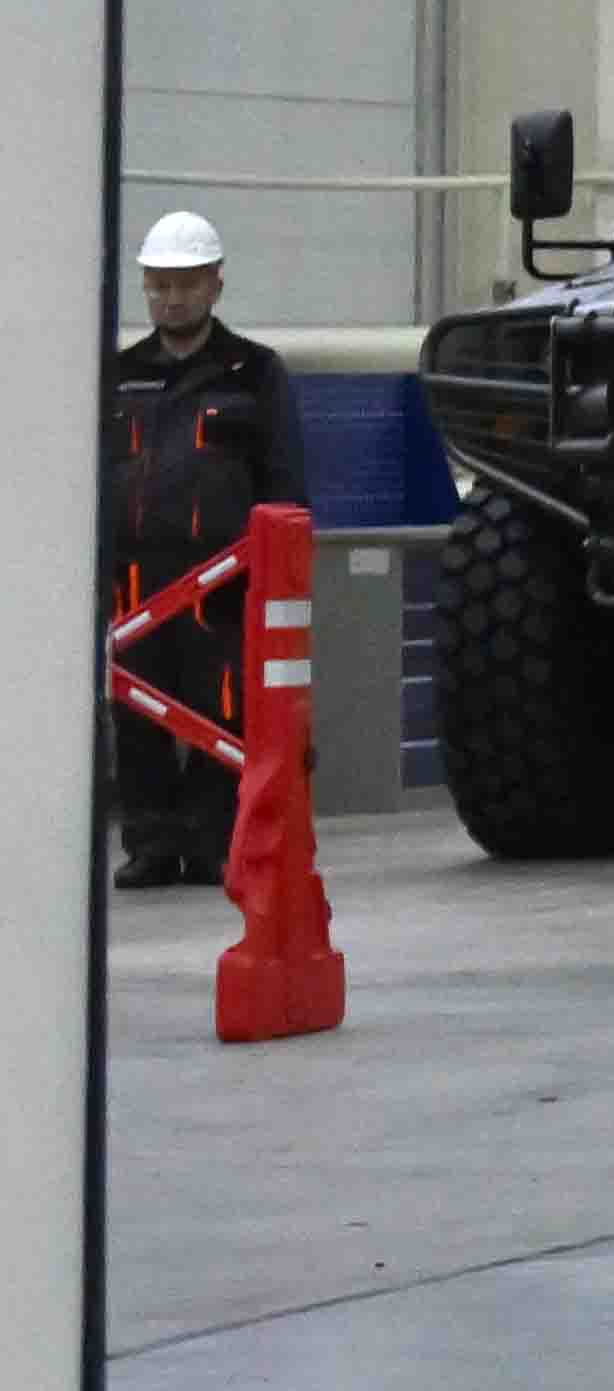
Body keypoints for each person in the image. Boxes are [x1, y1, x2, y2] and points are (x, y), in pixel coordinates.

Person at [105, 210, 298, 892]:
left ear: (216, 283)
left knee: (224, 709)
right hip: (135, 585)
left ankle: (218, 842)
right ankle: (152, 843)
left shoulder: (254, 373)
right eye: (159, 285)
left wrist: (280, 574)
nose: (172, 298)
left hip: (224, 584)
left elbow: (285, 478)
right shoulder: (119, 374)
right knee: (137, 712)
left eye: (186, 283)